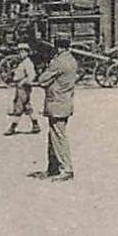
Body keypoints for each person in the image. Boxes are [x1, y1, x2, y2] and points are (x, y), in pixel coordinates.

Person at [34, 42, 79, 181]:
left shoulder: (58, 62)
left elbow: (42, 80)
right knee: (53, 135)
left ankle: (66, 169)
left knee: (58, 136)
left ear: (58, 47)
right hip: (65, 101)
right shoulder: (71, 60)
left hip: (56, 102)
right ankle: (53, 167)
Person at [4, 42, 40, 136]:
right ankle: (36, 125)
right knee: (27, 107)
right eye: (19, 52)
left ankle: (12, 127)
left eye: (23, 52)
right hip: (20, 86)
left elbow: (32, 75)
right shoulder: (23, 62)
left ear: (27, 52)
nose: (21, 54)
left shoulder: (27, 63)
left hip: (23, 87)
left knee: (18, 106)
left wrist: (23, 82)